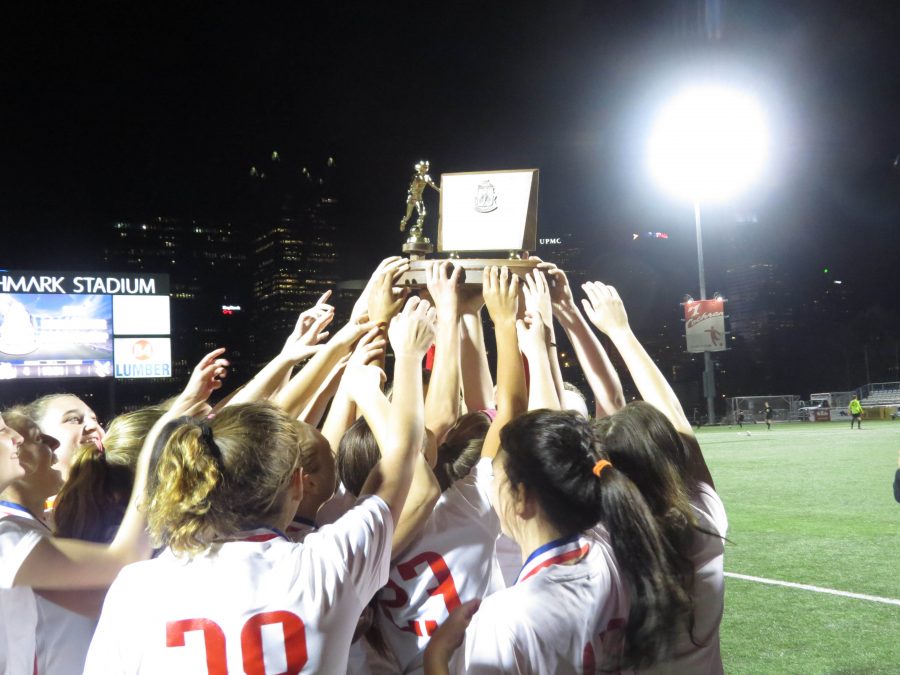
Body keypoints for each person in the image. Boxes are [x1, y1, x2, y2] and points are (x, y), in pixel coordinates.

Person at [83, 297, 435, 674]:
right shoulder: (329, 566)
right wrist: (409, 357)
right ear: (298, 485)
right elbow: (403, 453)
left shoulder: (137, 588)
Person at [0, 349, 227, 675]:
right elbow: (123, 563)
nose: (18, 438)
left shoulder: (26, 530)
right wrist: (158, 444)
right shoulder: (7, 536)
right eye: (3, 430)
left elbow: (98, 602)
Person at [424, 410, 691, 674]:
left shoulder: (503, 620)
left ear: (521, 496)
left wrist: (435, 657)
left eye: (495, 478)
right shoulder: (615, 555)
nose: (490, 487)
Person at [580, 281, 728, 673]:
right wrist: (621, 331)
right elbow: (678, 423)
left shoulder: (603, 544)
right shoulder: (706, 520)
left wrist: (554, 324)